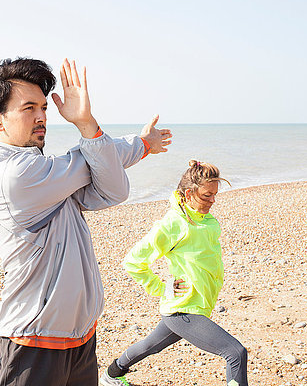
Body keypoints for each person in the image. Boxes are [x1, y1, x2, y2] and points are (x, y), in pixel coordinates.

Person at [0, 57, 172, 386]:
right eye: (28, 108)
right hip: (32, 343)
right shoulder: (14, 175)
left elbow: (113, 188)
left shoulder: (51, 178)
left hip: (78, 339)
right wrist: (93, 127)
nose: (42, 117)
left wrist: (139, 145)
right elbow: (91, 162)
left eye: (44, 108)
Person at [101, 160, 248, 386]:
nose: (213, 201)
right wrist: (161, 287)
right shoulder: (172, 224)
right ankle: (112, 375)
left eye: (215, 195)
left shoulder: (205, 219)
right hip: (183, 309)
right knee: (235, 353)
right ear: (189, 193)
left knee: (151, 345)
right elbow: (133, 261)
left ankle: (112, 375)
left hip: (196, 305)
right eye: (207, 195)